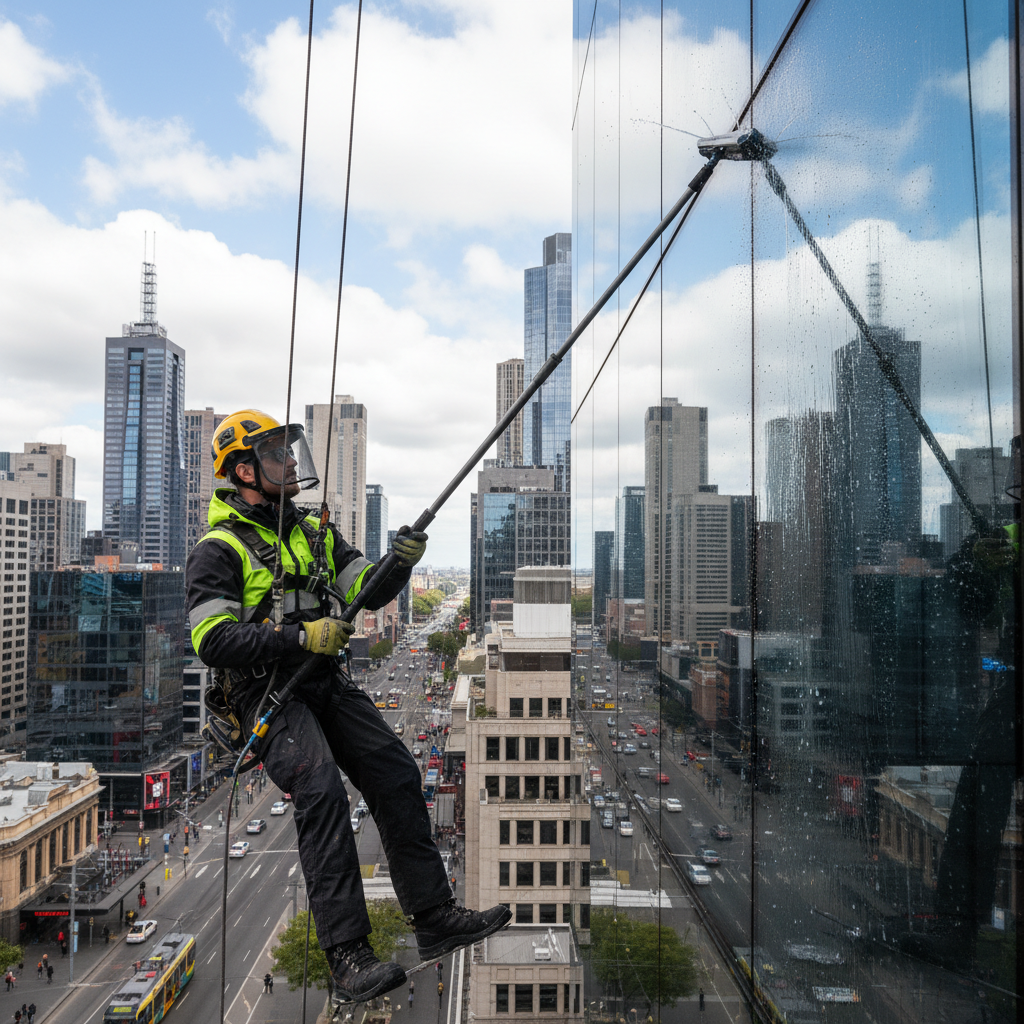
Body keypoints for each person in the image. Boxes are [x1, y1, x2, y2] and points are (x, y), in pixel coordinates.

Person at [185, 412, 510, 1005]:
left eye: (291, 451)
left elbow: (367, 588)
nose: (291, 463)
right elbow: (212, 641)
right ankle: (347, 956)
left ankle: (434, 916)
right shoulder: (220, 549)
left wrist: (401, 561)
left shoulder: (313, 534)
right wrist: (299, 639)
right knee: (320, 790)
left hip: (322, 679)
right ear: (242, 471)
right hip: (265, 692)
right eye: (276, 454)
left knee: (394, 771)